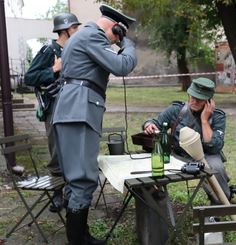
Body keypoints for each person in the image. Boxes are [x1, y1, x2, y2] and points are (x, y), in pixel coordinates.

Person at [52, 4, 137, 245]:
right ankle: (78, 241)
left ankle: (81, 236)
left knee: (77, 177)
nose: (113, 42)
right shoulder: (92, 35)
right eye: (117, 35)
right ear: (115, 28)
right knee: (83, 177)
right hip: (78, 111)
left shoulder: (83, 36)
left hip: (74, 110)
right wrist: (127, 45)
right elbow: (122, 65)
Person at [24, 13, 81, 213]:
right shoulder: (49, 50)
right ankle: (58, 193)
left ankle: (73, 192)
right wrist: (53, 69)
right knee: (57, 150)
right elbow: (29, 77)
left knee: (73, 150)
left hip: (73, 105)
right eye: (74, 28)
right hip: (55, 107)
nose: (77, 31)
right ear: (64, 30)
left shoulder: (74, 49)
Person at [143, 77, 231, 204]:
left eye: (199, 99)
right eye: (192, 97)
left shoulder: (217, 116)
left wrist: (205, 120)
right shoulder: (177, 110)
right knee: (152, 163)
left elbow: (214, 147)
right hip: (178, 155)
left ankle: (219, 202)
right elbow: (155, 122)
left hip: (205, 156)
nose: (193, 101)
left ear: (208, 101)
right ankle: (155, 201)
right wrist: (149, 125)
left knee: (217, 167)